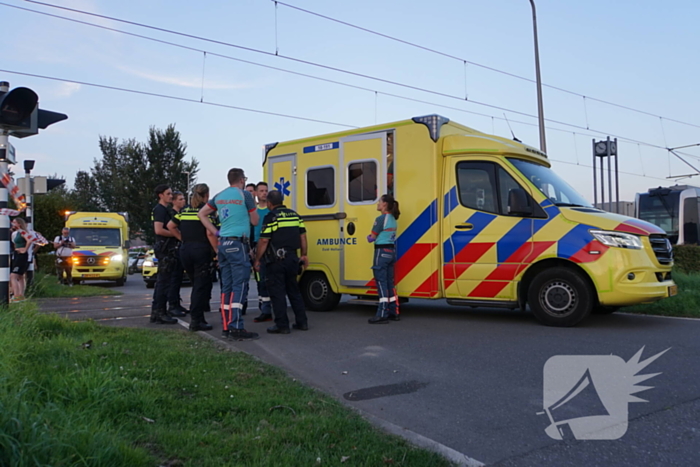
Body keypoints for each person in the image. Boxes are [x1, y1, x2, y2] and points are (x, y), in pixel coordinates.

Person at [199, 168, 259, 341]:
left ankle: (226, 326)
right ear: (242, 180)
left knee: (226, 287)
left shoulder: (219, 196)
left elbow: (201, 214)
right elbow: (255, 221)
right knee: (239, 286)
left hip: (223, 243)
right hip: (238, 243)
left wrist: (216, 232)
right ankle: (236, 327)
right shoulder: (245, 196)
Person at [254, 189, 308, 334]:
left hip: (276, 260)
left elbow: (264, 240)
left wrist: (258, 259)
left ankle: (282, 325)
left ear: (270, 203)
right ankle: (302, 322)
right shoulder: (295, 215)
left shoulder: (271, 217)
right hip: (292, 258)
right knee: (294, 291)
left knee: (277, 293)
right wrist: (304, 255)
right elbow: (303, 237)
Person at [168, 184, 217, 332]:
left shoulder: (184, 210)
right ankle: (196, 320)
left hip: (185, 250)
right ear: (206, 195)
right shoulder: (207, 211)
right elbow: (211, 233)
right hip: (201, 250)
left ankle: (199, 317)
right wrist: (217, 250)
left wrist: (182, 239)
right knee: (200, 287)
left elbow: (170, 226)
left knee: (196, 284)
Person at [366, 194, 401, 324]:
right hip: (391, 251)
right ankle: (394, 311)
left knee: (381, 283)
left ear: (385, 204)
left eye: (379, 202)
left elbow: (372, 237)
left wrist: (368, 238)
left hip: (381, 252)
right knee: (389, 282)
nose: (378, 204)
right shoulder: (393, 219)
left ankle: (382, 314)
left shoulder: (380, 219)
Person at [150, 184, 179, 324]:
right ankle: (159, 312)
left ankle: (159, 311)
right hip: (164, 248)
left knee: (165, 281)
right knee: (163, 281)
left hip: (166, 248)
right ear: (160, 195)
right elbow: (159, 230)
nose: (171, 196)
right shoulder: (160, 210)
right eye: (168, 193)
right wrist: (175, 234)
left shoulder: (163, 210)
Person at [252, 182, 273, 323]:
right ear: (256, 193)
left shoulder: (271, 211)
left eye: (266, 190)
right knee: (260, 281)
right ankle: (264, 309)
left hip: (270, 247)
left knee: (270, 280)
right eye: (261, 191)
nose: (264, 193)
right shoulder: (253, 211)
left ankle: (270, 309)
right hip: (256, 247)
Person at [168, 190, 189, 315]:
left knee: (179, 277)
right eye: (180, 199)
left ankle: (177, 303)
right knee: (174, 278)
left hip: (180, 249)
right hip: (173, 248)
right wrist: (182, 238)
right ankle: (172, 305)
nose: (183, 201)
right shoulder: (172, 214)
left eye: (184, 199)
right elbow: (170, 227)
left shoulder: (182, 212)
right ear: (174, 201)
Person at [10, 217, 34, 302]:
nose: (13, 224)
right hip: (17, 254)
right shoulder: (15, 233)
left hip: (21, 255)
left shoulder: (22, 232)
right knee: (19, 276)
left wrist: (25, 249)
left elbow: (29, 240)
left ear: (19, 224)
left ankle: (16, 295)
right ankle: (20, 295)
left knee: (13, 275)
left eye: (14, 222)